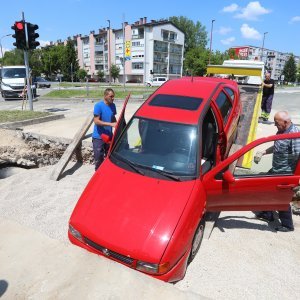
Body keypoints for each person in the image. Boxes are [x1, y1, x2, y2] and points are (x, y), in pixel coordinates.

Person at [254, 111, 300, 232]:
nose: (274, 125)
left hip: (286, 172)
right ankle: (268, 214)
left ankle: (287, 225)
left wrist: (295, 177)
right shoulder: (281, 130)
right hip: (276, 169)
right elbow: (277, 147)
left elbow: (298, 155)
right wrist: (263, 152)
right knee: (266, 188)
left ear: (285, 122)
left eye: (276, 122)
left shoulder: (294, 134)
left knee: (281, 197)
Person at [92, 88, 117, 170]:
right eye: (111, 96)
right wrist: (110, 124)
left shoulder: (113, 106)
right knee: (99, 158)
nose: (113, 98)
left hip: (109, 136)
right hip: (99, 137)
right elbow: (96, 121)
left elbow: (113, 118)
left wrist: (118, 124)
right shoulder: (98, 106)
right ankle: (98, 174)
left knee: (110, 157)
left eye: (113, 96)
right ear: (105, 96)